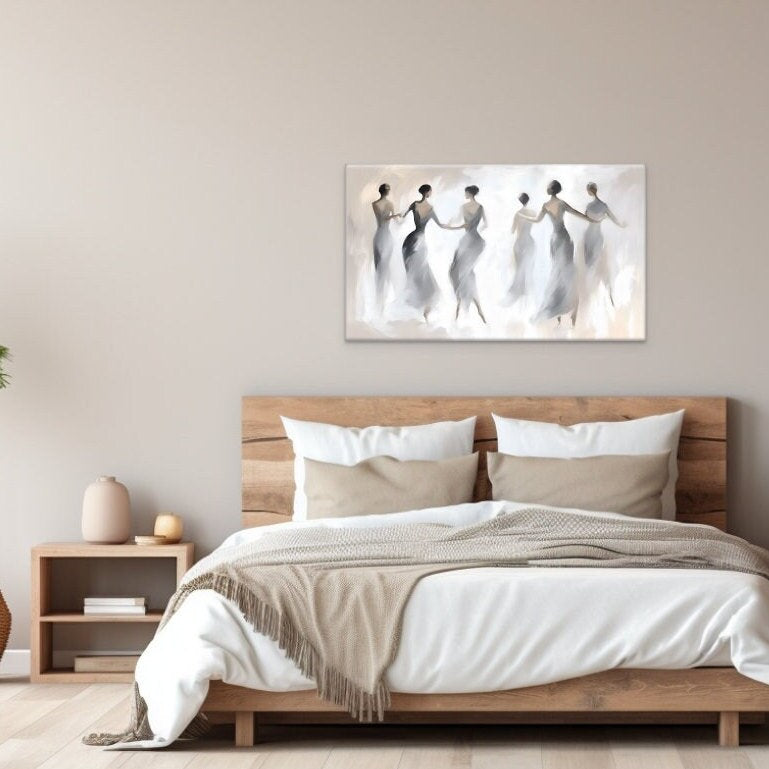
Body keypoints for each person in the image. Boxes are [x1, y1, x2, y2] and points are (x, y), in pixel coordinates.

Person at [520, 179, 596, 327]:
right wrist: (590, 219)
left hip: (555, 240)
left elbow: (536, 220)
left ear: (550, 190)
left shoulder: (546, 205)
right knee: (565, 271)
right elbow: (576, 213)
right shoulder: (561, 204)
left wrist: (523, 217)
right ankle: (567, 307)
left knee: (557, 271)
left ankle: (559, 312)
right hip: (563, 238)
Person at [400, 184, 455, 320]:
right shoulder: (430, 209)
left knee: (415, 270)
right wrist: (451, 225)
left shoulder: (414, 204)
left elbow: (401, 217)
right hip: (420, 241)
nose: (431, 192)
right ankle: (425, 301)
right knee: (422, 270)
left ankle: (419, 301)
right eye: (430, 191)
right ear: (428, 192)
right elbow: (441, 225)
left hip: (410, 240)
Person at [583, 182, 626, 307]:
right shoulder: (604, 206)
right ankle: (604, 294)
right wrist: (606, 220)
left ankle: (591, 293)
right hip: (598, 237)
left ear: (590, 191)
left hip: (589, 236)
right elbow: (614, 219)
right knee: (598, 263)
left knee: (589, 265)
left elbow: (587, 219)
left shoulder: (589, 206)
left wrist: (600, 219)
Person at [448, 185, 487, 323]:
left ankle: (460, 304)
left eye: (465, 192)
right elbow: (485, 224)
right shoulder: (481, 207)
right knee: (466, 272)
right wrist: (477, 230)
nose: (464, 194)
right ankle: (476, 309)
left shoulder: (464, 207)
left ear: (469, 193)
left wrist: (449, 225)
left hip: (468, 241)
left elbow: (458, 220)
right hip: (477, 241)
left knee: (456, 271)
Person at [371, 183, 400, 305]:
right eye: (388, 190)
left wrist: (397, 217)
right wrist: (395, 216)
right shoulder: (383, 204)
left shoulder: (376, 204)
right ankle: (379, 299)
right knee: (380, 267)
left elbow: (396, 222)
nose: (388, 192)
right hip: (383, 236)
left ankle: (382, 298)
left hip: (382, 236)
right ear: (386, 191)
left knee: (383, 267)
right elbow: (384, 220)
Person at [505, 192, 536, 306]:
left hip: (520, 242)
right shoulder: (533, 213)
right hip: (530, 242)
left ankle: (519, 290)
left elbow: (513, 230)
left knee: (519, 267)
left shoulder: (518, 214)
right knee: (527, 266)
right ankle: (525, 290)